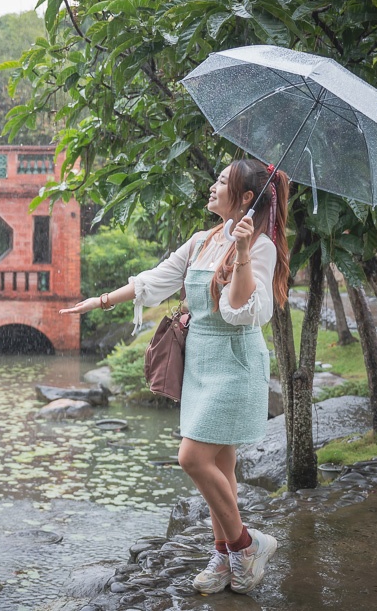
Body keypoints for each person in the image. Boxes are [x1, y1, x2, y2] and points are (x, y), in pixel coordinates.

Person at [61, 158, 290, 595]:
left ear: (245, 198)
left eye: (222, 182)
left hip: (235, 365)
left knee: (192, 458)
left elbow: (243, 313)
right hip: (201, 364)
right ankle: (224, 560)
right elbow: (156, 280)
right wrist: (99, 300)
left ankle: (247, 544)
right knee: (221, 466)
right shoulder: (203, 240)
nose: (212, 185)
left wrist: (241, 253)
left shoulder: (260, 247)